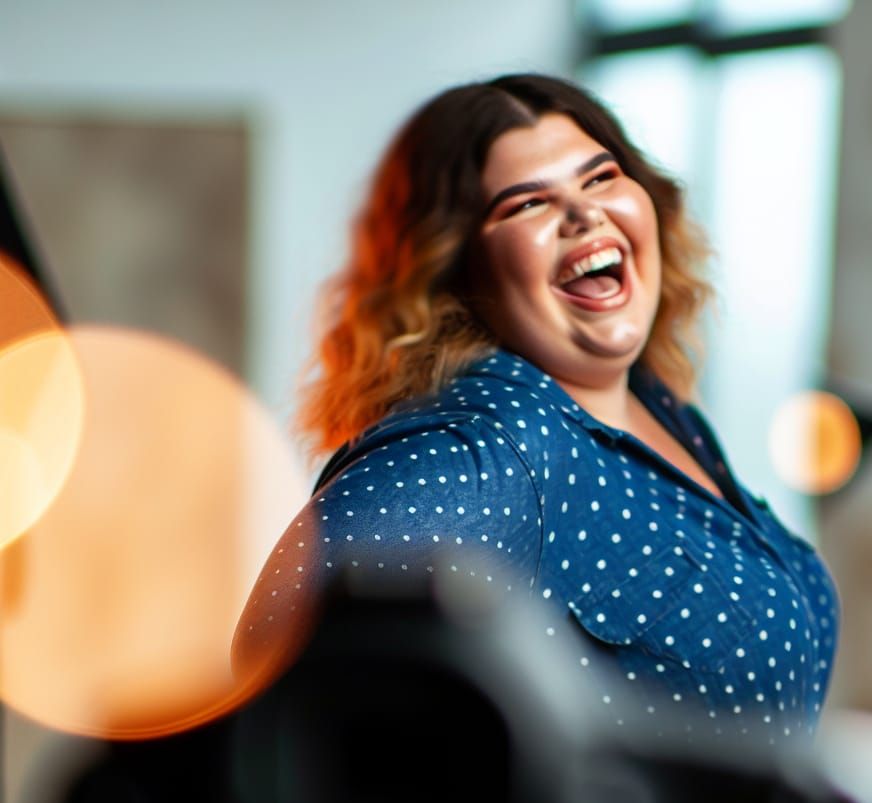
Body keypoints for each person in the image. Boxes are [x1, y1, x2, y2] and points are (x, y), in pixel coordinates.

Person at [233, 73, 838, 742]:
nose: (583, 216)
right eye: (526, 205)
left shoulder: (660, 408)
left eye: (601, 177)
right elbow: (273, 659)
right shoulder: (495, 445)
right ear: (458, 271)